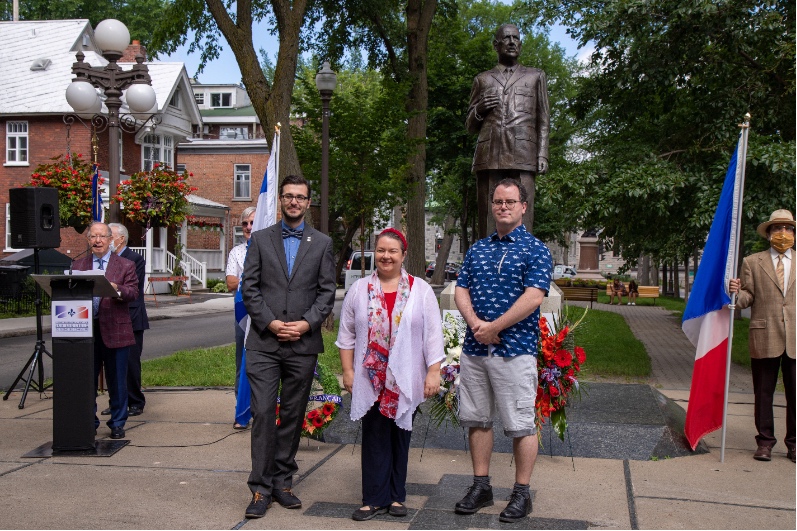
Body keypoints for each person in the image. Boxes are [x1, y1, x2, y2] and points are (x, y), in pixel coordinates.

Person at [454, 178, 552, 523]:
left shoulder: (536, 249)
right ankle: (481, 487)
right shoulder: (477, 249)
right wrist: (476, 324)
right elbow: (461, 289)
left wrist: (495, 327)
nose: (503, 206)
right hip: (475, 350)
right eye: (498, 201)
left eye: (510, 201)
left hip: (516, 349)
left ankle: (521, 494)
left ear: (523, 206)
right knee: (477, 419)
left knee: (521, 424)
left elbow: (534, 296)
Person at [240, 175, 336, 518]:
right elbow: (249, 287)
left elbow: (327, 292)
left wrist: (307, 323)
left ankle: (283, 482)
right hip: (265, 343)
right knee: (265, 413)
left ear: (308, 203)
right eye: (288, 196)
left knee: (293, 415)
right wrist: (271, 323)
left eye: (300, 197)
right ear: (280, 201)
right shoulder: (261, 239)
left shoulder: (322, 243)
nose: (294, 201)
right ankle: (260, 489)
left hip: (303, 343)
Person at [336, 228, 444, 522]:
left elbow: (433, 335)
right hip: (370, 378)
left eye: (392, 251)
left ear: (403, 255)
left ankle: (396, 496)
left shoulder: (420, 290)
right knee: (374, 436)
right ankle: (373, 498)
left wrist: (434, 372)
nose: (386, 256)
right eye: (381, 251)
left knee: (400, 434)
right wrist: (348, 370)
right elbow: (346, 335)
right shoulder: (359, 290)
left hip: (405, 377)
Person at [466, 23, 550, 238]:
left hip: (524, 152)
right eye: (507, 38)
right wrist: (479, 109)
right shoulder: (482, 79)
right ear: (496, 45)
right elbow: (470, 127)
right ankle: (486, 265)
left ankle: (523, 260)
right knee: (488, 213)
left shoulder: (535, 76)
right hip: (490, 154)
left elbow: (543, 118)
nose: (512, 42)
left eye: (516, 38)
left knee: (524, 213)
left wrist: (542, 154)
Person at [729, 209, 795, 463]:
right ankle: (765, 442)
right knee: (763, 393)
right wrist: (734, 292)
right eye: (777, 228)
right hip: (764, 334)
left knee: (795, 394)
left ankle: (794, 444)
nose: (783, 233)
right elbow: (747, 298)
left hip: (795, 337)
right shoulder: (752, 262)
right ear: (768, 234)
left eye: (788, 229)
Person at [73, 222, 139, 439]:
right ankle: (88, 422)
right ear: (88, 240)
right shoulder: (78, 265)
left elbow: (133, 293)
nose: (98, 241)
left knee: (117, 381)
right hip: (85, 329)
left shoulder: (125, 265)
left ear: (111, 240)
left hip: (115, 329)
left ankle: (118, 423)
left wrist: (117, 288)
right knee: (86, 380)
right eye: (93, 237)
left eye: (102, 236)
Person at [100, 223, 150, 417]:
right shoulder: (105, 260)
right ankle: (116, 403)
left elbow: (132, 289)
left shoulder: (134, 259)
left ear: (121, 239)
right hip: (108, 316)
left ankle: (135, 401)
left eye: (109, 236)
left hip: (131, 317)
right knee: (111, 364)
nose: (106, 240)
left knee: (130, 363)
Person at [226, 206, 256, 429]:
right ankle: (241, 412)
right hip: (243, 313)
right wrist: (251, 278)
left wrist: (243, 278)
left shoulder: (271, 250)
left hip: (267, 314)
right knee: (242, 363)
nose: (248, 227)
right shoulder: (236, 252)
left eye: (252, 223)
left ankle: (263, 409)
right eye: (245, 223)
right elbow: (230, 283)